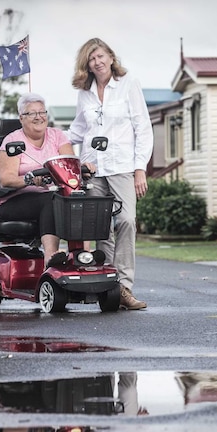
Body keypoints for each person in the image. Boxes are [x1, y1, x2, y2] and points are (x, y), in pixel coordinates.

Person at [66, 38, 153, 310]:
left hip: (122, 167)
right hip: (93, 169)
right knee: (100, 227)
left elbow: (143, 128)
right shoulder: (85, 94)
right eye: (92, 59)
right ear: (87, 65)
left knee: (126, 220)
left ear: (111, 58)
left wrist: (140, 168)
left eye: (101, 56)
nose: (97, 62)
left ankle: (124, 287)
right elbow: (78, 131)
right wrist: (50, 141)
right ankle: (105, 287)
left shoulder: (129, 85)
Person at [0, 93, 96, 270]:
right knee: (51, 201)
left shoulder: (57, 136)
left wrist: (83, 169)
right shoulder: (12, 141)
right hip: (14, 199)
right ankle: (51, 256)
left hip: (51, 194)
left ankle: (83, 256)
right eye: (32, 113)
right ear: (21, 118)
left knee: (79, 198)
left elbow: (70, 164)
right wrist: (29, 180)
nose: (38, 117)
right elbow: (6, 179)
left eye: (42, 112)